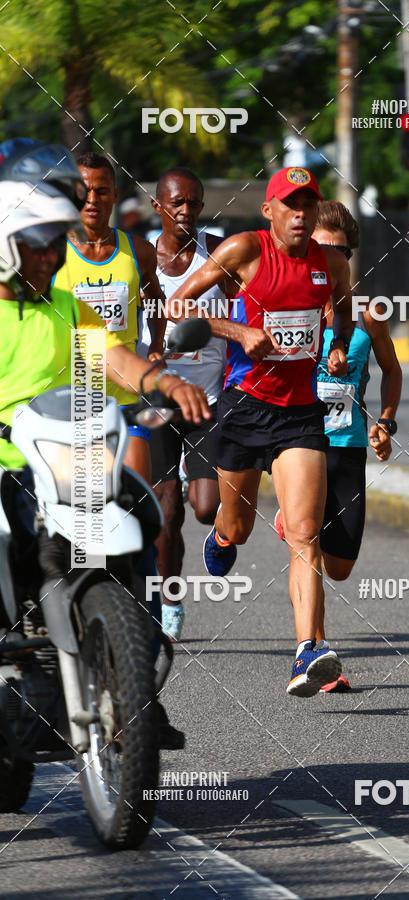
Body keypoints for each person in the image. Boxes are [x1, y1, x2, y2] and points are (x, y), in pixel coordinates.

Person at [0, 177, 211, 745]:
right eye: (39, 243)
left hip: (68, 458)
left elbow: (112, 355)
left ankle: (136, 684)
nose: (51, 254)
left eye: (53, 243)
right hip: (5, 468)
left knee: (138, 522)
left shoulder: (66, 305)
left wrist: (162, 379)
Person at [166, 166, 354, 697]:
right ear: (269, 210)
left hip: (299, 413)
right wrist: (237, 330)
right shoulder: (244, 251)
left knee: (303, 534)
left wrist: (338, 345)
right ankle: (224, 535)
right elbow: (180, 304)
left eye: (309, 206)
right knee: (240, 524)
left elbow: (344, 312)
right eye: (291, 206)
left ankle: (308, 651)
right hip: (244, 408)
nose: (301, 215)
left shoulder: (331, 261)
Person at [275, 201, 402, 692]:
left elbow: (392, 371)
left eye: (338, 251)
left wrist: (386, 421)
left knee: (341, 565)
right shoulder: (294, 309)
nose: (328, 259)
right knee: (306, 545)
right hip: (300, 443)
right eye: (319, 249)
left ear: (350, 257)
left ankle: (300, 533)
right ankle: (316, 654)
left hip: (347, 447)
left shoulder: (369, 317)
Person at [145, 167, 231, 641]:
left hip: (208, 399)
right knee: (167, 513)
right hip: (158, 394)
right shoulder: (141, 256)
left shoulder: (218, 251)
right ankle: (170, 600)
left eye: (195, 203)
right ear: (159, 206)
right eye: (177, 203)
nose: (187, 212)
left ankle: (188, 479)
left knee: (203, 508)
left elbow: (247, 306)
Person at [51, 152, 166, 483]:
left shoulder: (140, 251)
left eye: (102, 191)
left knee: (137, 502)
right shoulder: (51, 254)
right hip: (70, 402)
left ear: (115, 196)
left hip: (125, 396)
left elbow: (156, 297)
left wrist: (156, 343)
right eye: (84, 191)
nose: (92, 200)